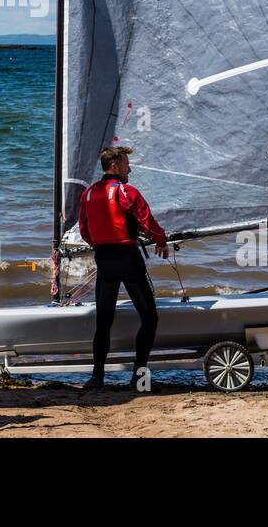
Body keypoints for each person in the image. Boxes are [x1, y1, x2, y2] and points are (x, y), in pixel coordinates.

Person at [78, 145, 168, 391]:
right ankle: (139, 379)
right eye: (127, 164)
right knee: (149, 317)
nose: (131, 168)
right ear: (115, 166)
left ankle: (97, 378)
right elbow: (146, 220)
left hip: (104, 260)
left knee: (104, 322)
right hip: (128, 259)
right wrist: (161, 240)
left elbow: (84, 230)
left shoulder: (87, 194)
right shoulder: (127, 192)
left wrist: (101, 244)